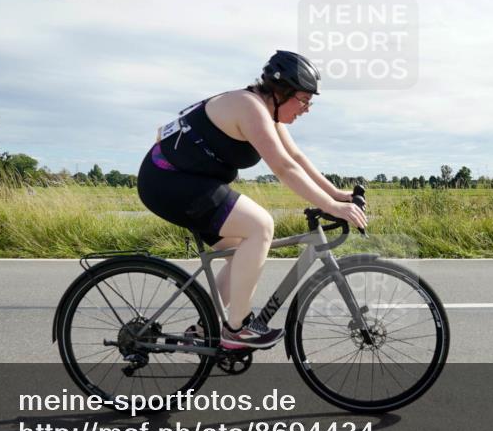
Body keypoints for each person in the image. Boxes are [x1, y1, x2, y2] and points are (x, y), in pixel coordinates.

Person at [136, 51, 368, 350]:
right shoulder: (250, 108)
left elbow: (296, 158)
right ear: (281, 92)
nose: (307, 108)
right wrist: (332, 207)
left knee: (241, 250)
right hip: (168, 180)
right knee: (260, 226)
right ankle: (237, 328)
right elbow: (283, 169)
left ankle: (204, 327)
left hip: (189, 182)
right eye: (304, 99)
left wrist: (336, 194)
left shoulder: (268, 113)